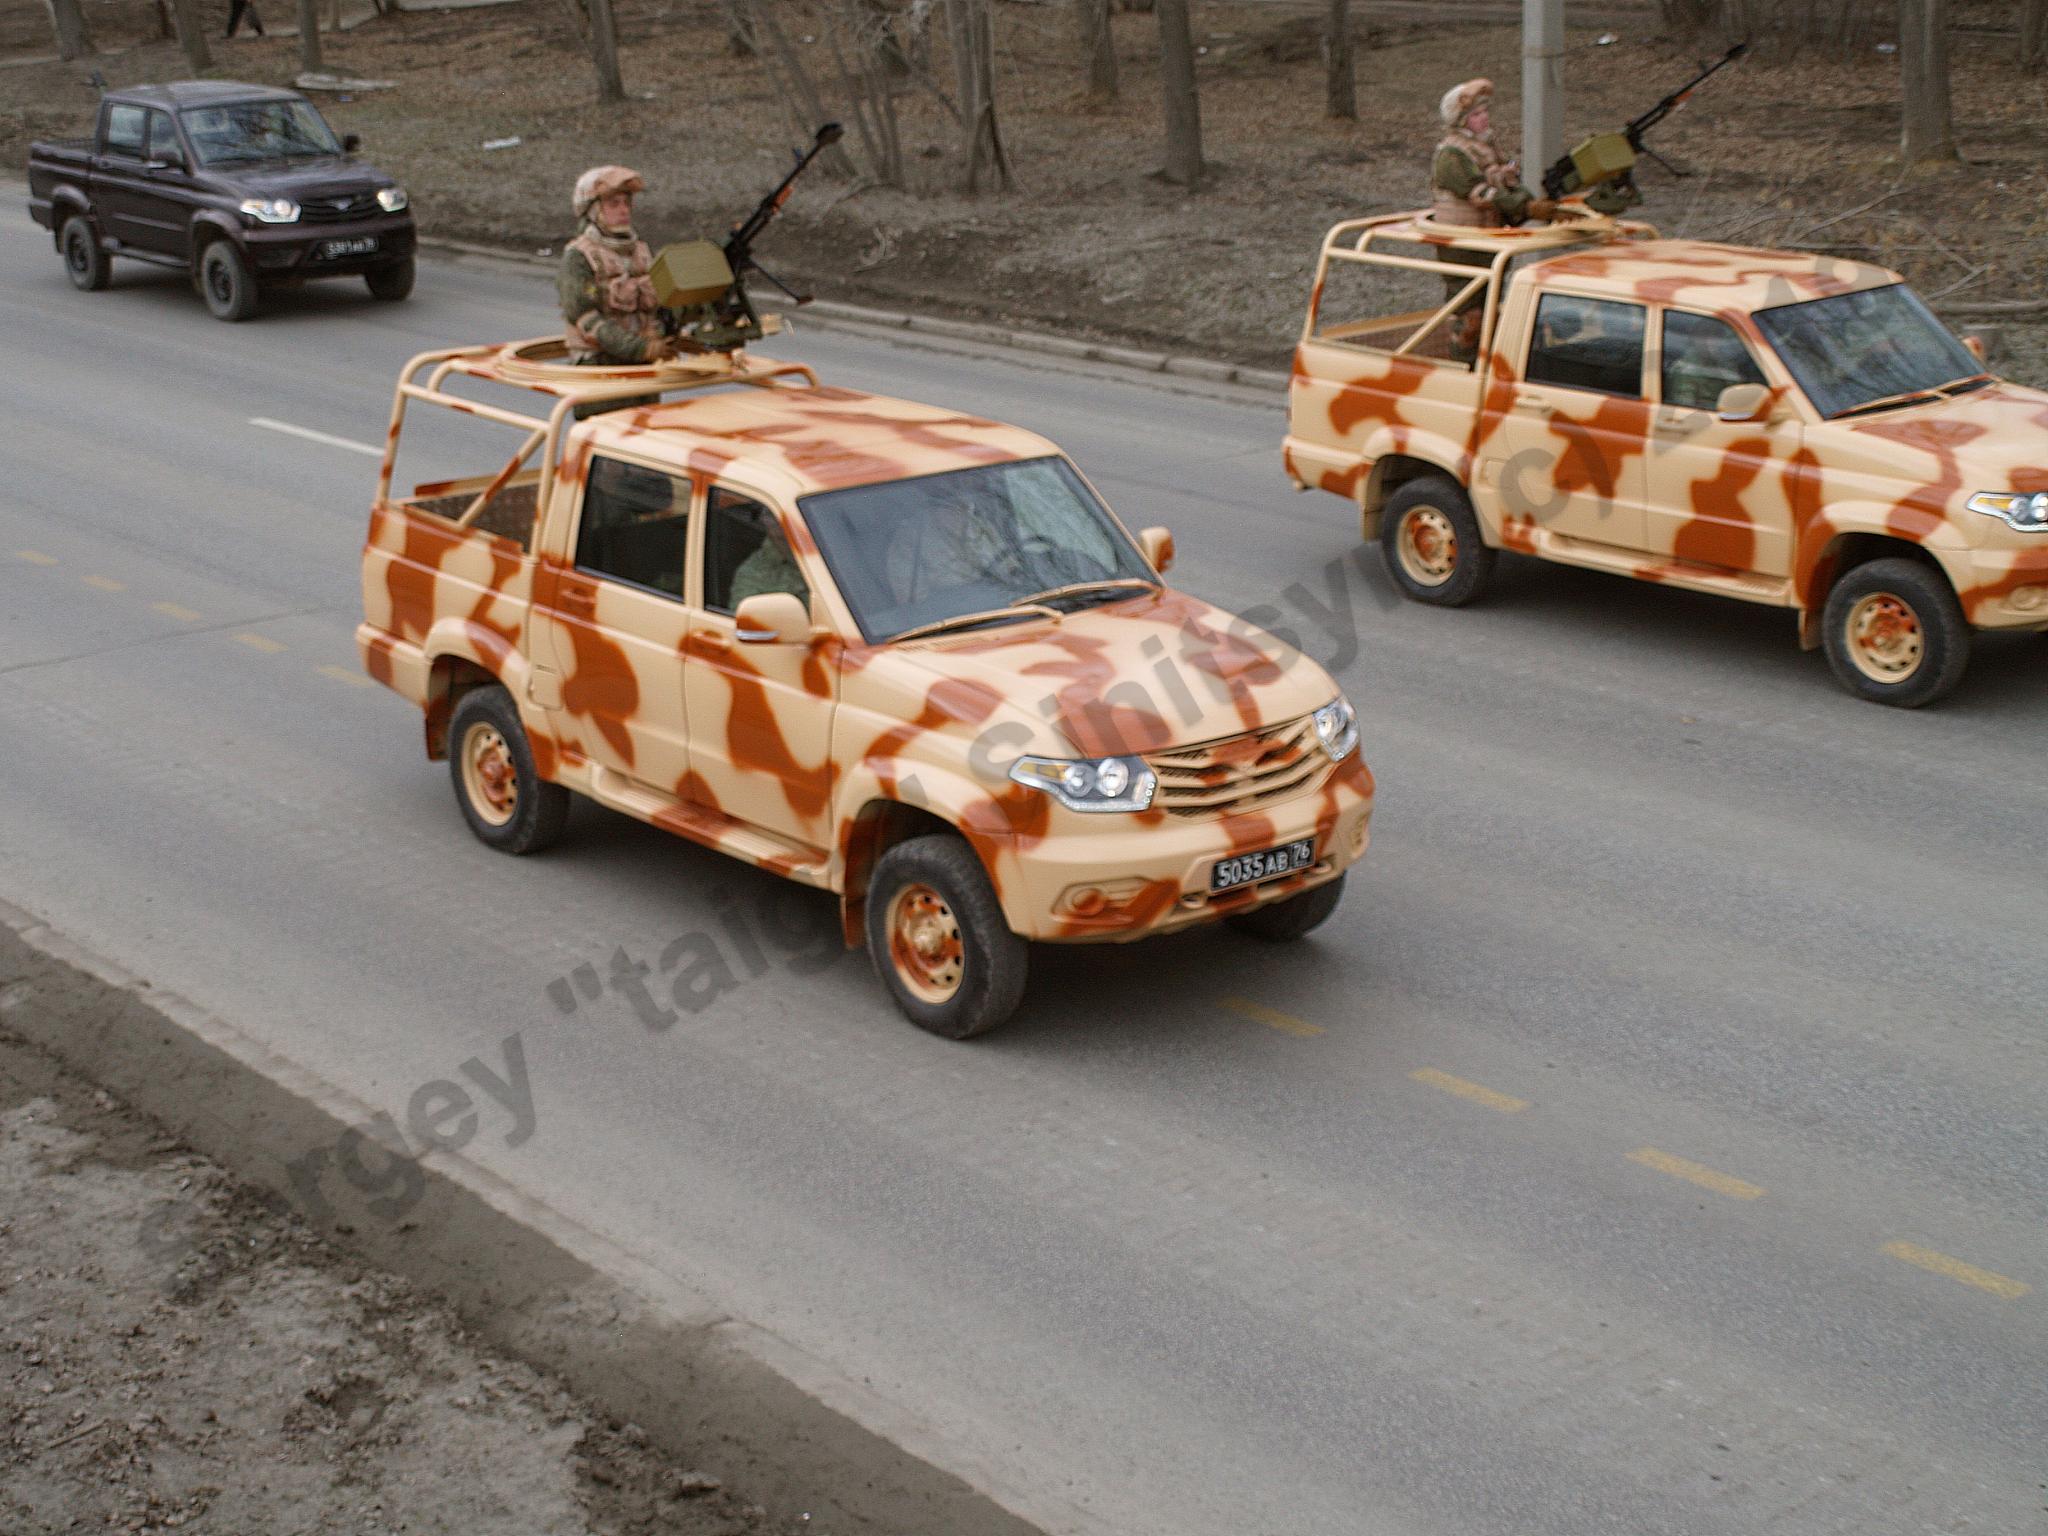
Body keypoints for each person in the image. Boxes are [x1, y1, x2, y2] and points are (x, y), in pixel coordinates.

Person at [558, 165, 672, 367]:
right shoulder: (579, 257)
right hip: (598, 366)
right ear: (593, 210)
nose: (624, 210)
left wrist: (659, 335)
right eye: (614, 204)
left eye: (627, 203)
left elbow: (659, 307)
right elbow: (585, 319)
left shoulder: (641, 252)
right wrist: (638, 348)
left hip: (643, 364)